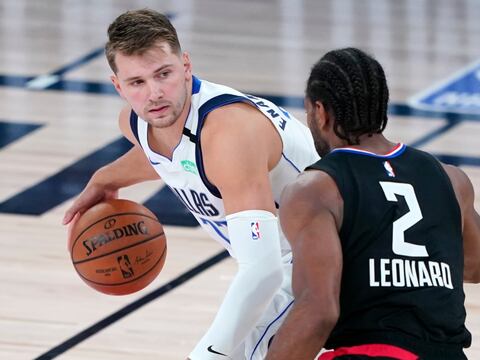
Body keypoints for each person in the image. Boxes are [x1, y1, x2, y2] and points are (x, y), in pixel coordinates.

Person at [62, 8, 319, 360]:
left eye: (163, 74)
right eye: (137, 83)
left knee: (237, 347)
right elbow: (173, 156)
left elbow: (264, 271)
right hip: (296, 261)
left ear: (186, 67)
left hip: (326, 258)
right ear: (118, 86)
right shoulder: (138, 124)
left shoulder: (229, 134)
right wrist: (106, 176)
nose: (154, 93)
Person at [266, 47, 480, 360]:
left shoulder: (316, 189)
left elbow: (318, 311)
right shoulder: (451, 179)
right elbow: (474, 265)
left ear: (320, 112)